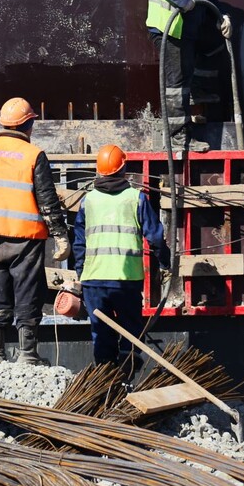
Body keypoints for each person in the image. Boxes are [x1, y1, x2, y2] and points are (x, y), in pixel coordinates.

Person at [0, 97, 70, 366]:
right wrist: (60, 235)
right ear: (29, 124)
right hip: (25, 238)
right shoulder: (33, 155)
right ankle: (27, 354)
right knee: (27, 293)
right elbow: (47, 200)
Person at [73, 144, 168, 373]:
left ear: (99, 170)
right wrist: (165, 262)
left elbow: (79, 243)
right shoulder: (136, 198)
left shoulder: (88, 201)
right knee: (131, 331)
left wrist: (81, 273)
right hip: (126, 280)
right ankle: (126, 377)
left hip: (94, 280)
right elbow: (155, 236)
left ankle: (104, 378)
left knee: (101, 333)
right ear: (123, 169)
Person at [145, 0, 232, 152]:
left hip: (186, 33)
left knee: (185, 81)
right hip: (169, 30)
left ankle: (190, 118)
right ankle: (178, 140)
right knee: (176, 86)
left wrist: (222, 17)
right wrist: (183, 0)